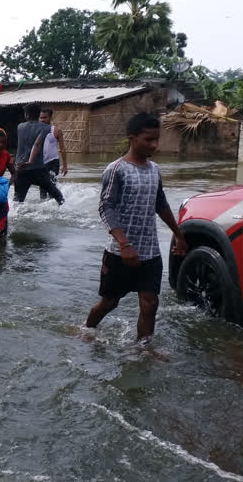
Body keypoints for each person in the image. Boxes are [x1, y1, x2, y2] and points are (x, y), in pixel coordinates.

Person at [86, 113, 188, 342]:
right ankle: (87, 329)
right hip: (120, 252)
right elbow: (106, 208)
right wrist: (124, 243)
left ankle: (143, 349)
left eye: (156, 139)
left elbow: (160, 203)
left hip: (150, 250)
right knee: (109, 302)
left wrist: (179, 234)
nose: (154, 145)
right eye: (148, 139)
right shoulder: (116, 170)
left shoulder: (154, 170)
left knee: (150, 303)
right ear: (132, 138)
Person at [14, 104, 64, 205]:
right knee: (58, 197)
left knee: (18, 201)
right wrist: (30, 161)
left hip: (20, 168)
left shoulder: (20, 127)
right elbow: (37, 144)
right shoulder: (46, 128)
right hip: (38, 169)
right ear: (38, 115)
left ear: (26, 115)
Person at [39, 109, 68, 200]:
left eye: (45, 117)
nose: (42, 120)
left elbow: (62, 149)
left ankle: (54, 204)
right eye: (41, 118)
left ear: (50, 118)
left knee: (51, 185)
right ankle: (43, 207)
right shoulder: (37, 131)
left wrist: (65, 166)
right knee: (42, 188)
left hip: (53, 162)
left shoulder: (56, 131)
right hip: (41, 163)